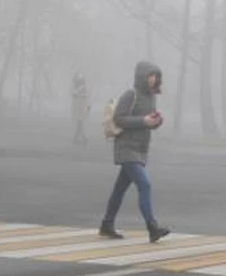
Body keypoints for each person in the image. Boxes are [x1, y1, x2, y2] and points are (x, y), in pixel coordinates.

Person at [99, 61, 171, 243]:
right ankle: (152, 227)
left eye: (156, 76)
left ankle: (106, 224)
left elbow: (147, 123)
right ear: (142, 76)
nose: (153, 80)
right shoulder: (131, 95)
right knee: (144, 184)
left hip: (140, 149)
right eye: (150, 76)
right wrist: (143, 121)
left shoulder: (152, 97)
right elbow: (119, 118)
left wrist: (156, 121)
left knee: (119, 189)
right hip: (126, 148)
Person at [71, 73, 90, 145]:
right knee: (80, 122)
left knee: (80, 123)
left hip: (82, 107)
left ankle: (79, 137)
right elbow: (74, 94)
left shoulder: (83, 88)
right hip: (78, 108)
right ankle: (82, 137)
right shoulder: (77, 88)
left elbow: (87, 97)